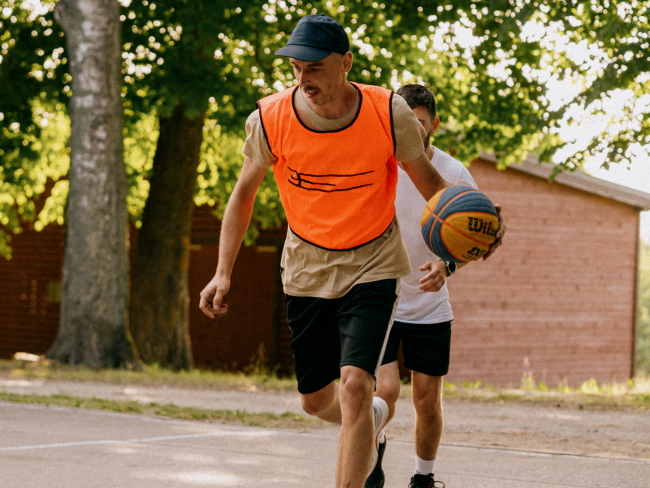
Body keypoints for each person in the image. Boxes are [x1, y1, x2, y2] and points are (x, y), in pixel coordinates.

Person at [199, 15, 460, 488]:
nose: (304, 79)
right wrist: (223, 272)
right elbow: (243, 195)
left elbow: (434, 186)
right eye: (297, 68)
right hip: (307, 266)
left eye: (315, 68)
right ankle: (374, 418)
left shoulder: (388, 113)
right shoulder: (271, 119)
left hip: (374, 263)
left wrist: (466, 236)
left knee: (356, 386)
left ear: (346, 63)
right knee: (317, 401)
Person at [364, 84, 505, 488]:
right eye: (403, 121)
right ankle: (373, 450)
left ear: (434, 125)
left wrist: (448, 265)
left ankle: (423, 479)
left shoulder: (453, 173)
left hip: (429, 304)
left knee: (427, 400)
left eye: (419, 123)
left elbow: (481, 236)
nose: (410, 129)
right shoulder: (378, 165)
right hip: (380, 296)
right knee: (384, 392)